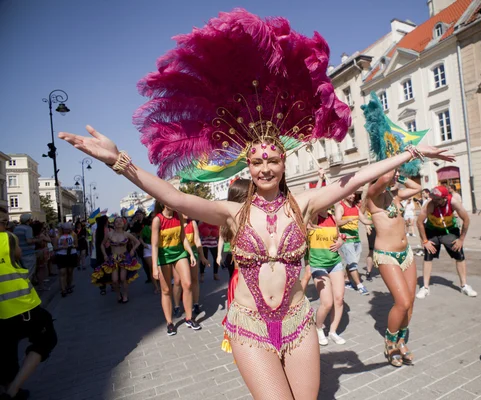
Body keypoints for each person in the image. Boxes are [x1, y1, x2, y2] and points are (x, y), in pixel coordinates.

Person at [58, 9, 454, 397]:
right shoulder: (230, 212)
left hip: (299, 323)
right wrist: (119, 161)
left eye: (273, 159)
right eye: (258, 160)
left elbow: (357, 177)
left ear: (283, 162)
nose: (265, 167)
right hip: (250, 327)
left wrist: (411, 154)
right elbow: (172, 195)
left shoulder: (305, 203)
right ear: (247, 165)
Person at [0, 207, 58, 400]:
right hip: (19, 304)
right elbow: (16, 256)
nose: (7, 226)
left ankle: (11, 388)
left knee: (6, 350)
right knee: (46, 337)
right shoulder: (7, 238)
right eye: (4, 222)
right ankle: (12, 390)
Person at [365, 173, 422, 366]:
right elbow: (381, 180)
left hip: (406, 253)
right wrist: (392, 165)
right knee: (402, 302)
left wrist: (401, 175)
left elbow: (417, 188)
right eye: (391, 174)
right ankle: (390, 342)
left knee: (411, 301)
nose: (393, 177)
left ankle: (401, 340)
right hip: (387, 255)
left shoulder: (395, 195)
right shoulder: (372, 197)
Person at [307, 170, 346, 346]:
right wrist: (321, 179)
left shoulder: (332, 218)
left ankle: (333, 331)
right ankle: (318, 327)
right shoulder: (312, 218)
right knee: (327, 303)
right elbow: (316, 196)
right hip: (319, 265)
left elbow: (339, 236)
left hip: (335, 263)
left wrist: (339, 243)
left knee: (339, 299)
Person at [415, 186, 477, 299]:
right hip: (432, 231)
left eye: (437, 199)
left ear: (444, 198)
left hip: (449, 231)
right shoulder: (430, 204)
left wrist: (461, 239)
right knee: (428, 257)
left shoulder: (453, 202)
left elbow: (466, 219)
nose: (434, 200)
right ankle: (425, 287)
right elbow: (419, 222)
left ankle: (464, 285)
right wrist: (425, 241)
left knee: (459, 256)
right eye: (433, 198)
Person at [151, 203, 199, 334]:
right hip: (163, 255)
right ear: (162, 203)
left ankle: (189, 318)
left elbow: (183, 237)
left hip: (179, 253)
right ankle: (170, 323)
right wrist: (155, 266)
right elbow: (154, 245)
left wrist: (190, 253)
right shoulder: (157, 220)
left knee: (187, 284)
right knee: (166, 290)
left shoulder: (178, 216)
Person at [97, 217, 142, 303]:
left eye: (120, 221)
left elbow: (137, 242)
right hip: (113, 258)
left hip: (124, 258)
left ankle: (125, 295)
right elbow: (102, 245)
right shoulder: (109, 234)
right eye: (116, 221)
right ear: (113, 224)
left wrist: (132, 250)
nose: (118, 223)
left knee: (122, 278)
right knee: (114, 280)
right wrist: (105, 255)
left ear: (123, 223)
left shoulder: (126, 234)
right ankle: (118, 294)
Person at [335, 193, 371, 295]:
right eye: (350, 194)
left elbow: (364, 220)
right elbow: (337, 221)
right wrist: (347, 220)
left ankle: (346, 279)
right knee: (353, 264)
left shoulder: (355, 207)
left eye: (354, 194)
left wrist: (376, 221)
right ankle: (360, 286)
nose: (353, 196)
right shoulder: (340, 207)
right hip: (346, 240)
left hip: (356, 239)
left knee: (351, 262)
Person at [173, 214, 208, 317]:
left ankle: (196, 303)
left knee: (194, 279)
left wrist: (202, 256)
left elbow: (197, 240)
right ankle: (176, 306)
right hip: (179, 254)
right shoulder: (175, 224)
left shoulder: (192, 223)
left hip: (193, 252)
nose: (186, 213)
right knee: (177, 281)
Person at [217, 178, 250, 282]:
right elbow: (221, 238)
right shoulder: (228, 220)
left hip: (255, 278)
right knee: (232, 275)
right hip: (236, 267)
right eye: (250, 196)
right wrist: (219, 255)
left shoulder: (254, 217)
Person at [55, 223, 78, 297]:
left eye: (68, 229)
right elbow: (55, 247)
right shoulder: (58, 236)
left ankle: (69, 285)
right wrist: (62, 247)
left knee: (70, 271)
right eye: (65, 229)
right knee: (62, 272)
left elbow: (76, 245)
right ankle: (63, 289)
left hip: (71, 254)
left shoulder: (73, 235)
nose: (67, 230)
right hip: (61, 255)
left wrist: (72, 246)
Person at [140, 216, 160, 294]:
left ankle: (162, 284)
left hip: (158, 247)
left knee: (160, 267)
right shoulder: (146, 228)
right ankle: (156, 287)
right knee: (152, 267)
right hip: (148, 248)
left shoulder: (160, 226)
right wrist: (144, 244)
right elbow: (140, 238)